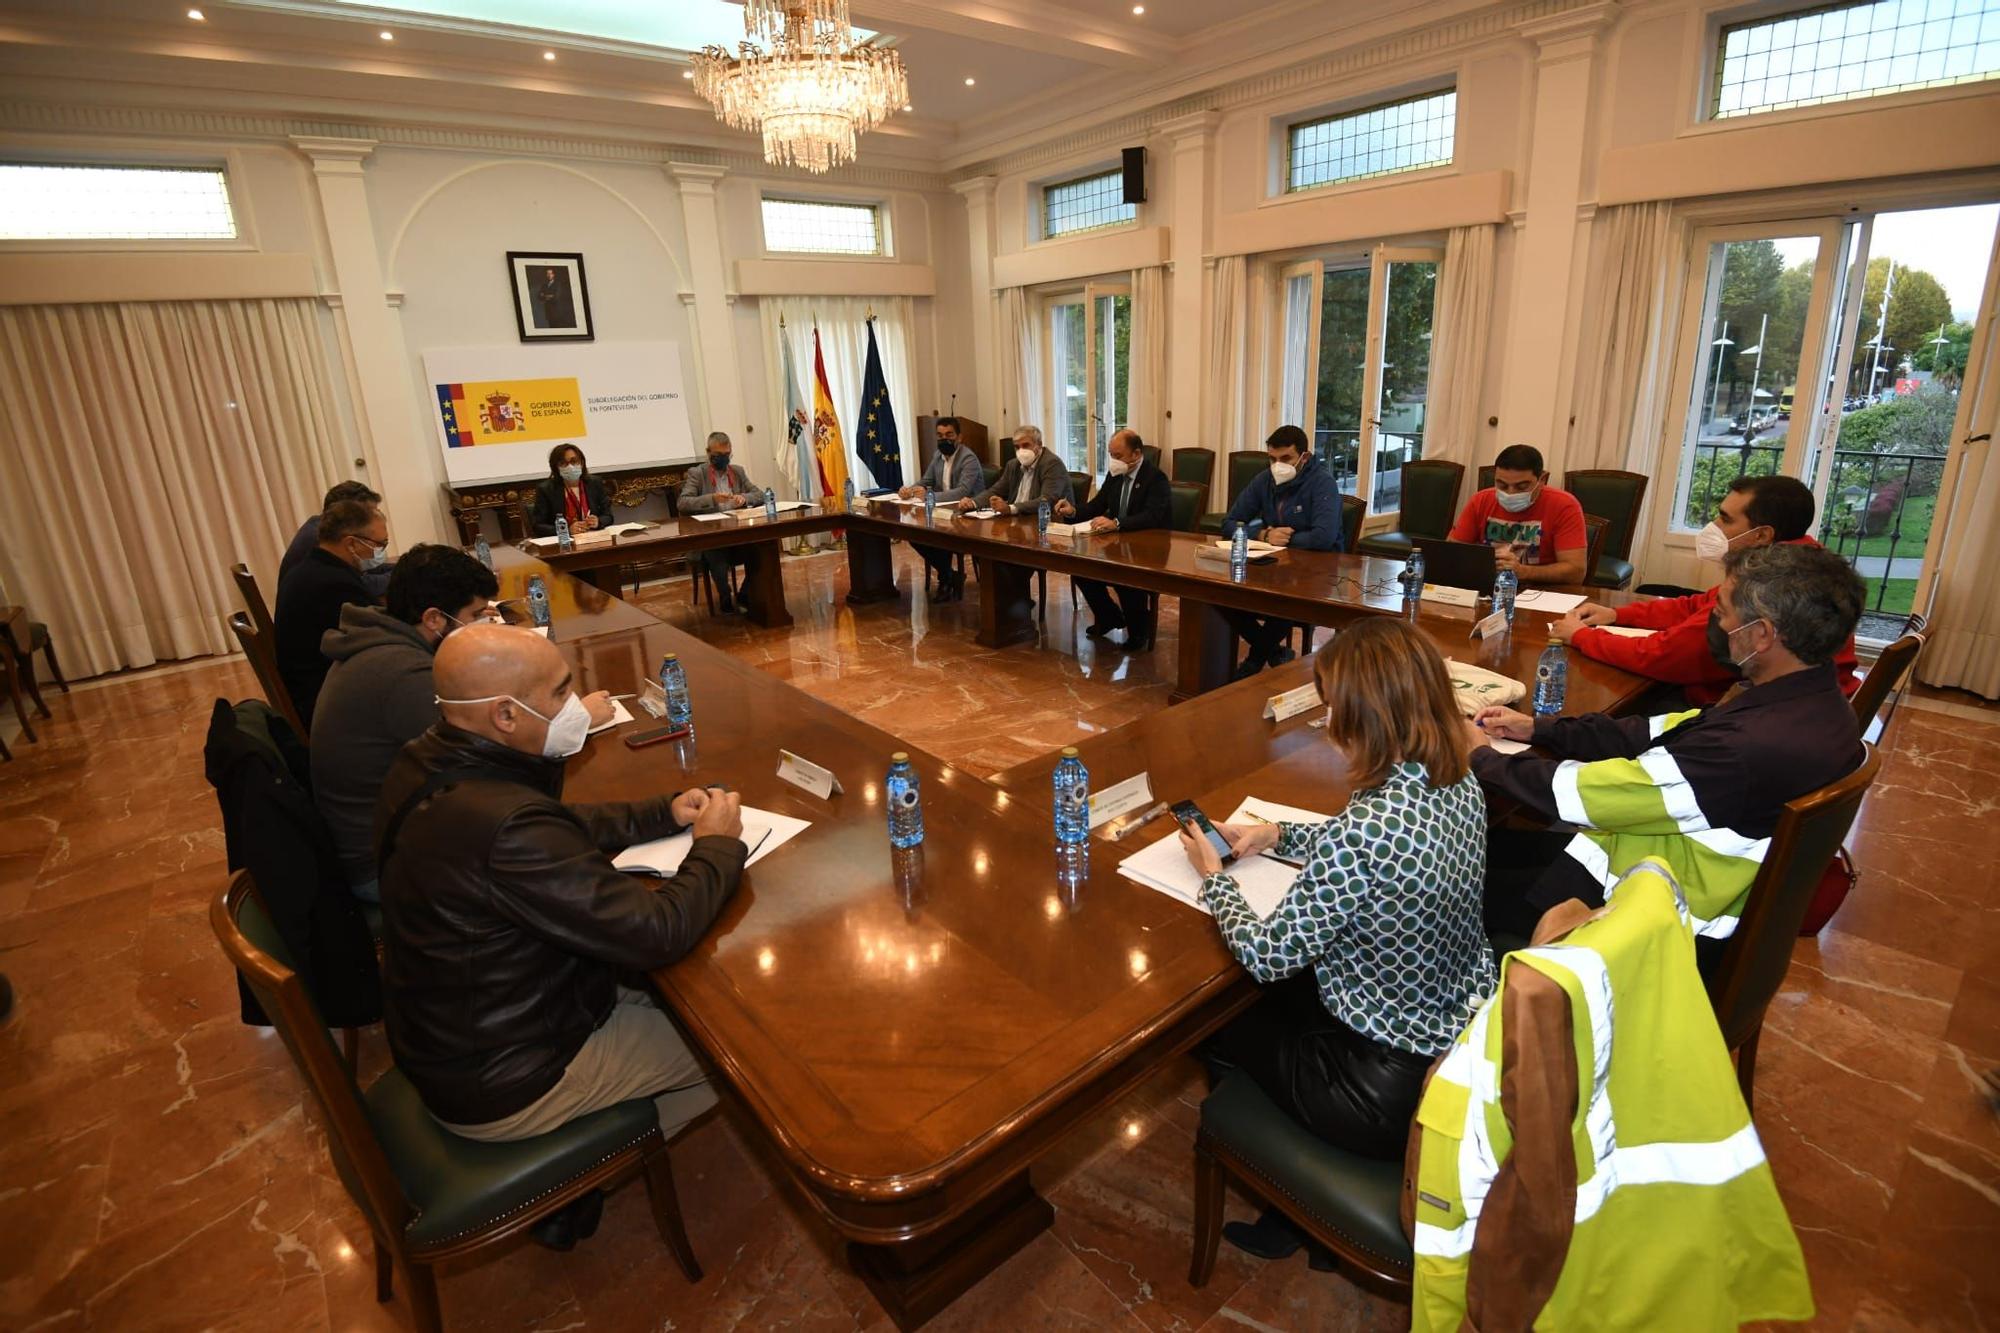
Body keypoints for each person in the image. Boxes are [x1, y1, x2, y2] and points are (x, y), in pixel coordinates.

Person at [376, 623, 746, 1249]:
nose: (578, 705)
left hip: (463, 1028)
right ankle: (576, 1170)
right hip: (509, 1077)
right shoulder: (503, 827)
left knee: (687, 998)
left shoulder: (431, 761)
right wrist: (714, 848)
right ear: (504, 715)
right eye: (560, 692)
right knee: (740, 1057)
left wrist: (661, 812)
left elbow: (552, 823)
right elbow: (656, 931)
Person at [1177, 618, 1496, 1264]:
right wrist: (1276, 836)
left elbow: (1267, 953)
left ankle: (1289, 1199)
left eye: (1337, 712)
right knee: (1276, 998)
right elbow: (1368, 847)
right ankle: (1297, 1211)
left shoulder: (1370, 824)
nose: (1329, 726)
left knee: (1215, 1022)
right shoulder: (1456, 780)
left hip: (1373, 1085)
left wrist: (1215, 880)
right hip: (1452, 1042)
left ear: (1368, 717)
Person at [1470, 542, 1867, 943]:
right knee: (1489, 850)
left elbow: (1587, 794)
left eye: (1723, 612)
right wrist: (1540, 729)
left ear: (1762, 634)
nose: (1716, 621)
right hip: (1653, 863)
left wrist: (1478, 756)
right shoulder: (1807, 701)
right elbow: (1652, 731)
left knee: (1448, 887)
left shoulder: (1747, 746)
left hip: (1646, 917)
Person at [312, 544, 601, 903]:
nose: (485, 622)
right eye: (477, 614)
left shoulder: (385, 642)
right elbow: (488, 759)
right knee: (559, 867)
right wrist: (576, 719)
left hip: (392, 833)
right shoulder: (402, 675)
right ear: (434, 618)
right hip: (382, 866)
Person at [1552, 474, 1859, 707]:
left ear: (1762, 534)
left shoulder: (1770, 583)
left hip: (1762, 709)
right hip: (1798, 699)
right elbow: (1696, 606)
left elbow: (1665, 657)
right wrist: (1617, 614)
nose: (1714, 525)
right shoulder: (1794, 558)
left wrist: (1580, 636)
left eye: (1726, 519)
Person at [1218, 425, 1344, 679]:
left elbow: (1324, 536)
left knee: (1287, 603)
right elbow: (1230, 523)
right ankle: (1275, 653)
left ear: (1304, 457)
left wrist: (1287, 539)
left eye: (1285, 458)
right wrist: (1264, 535)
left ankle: (1253, 662)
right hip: (1272, 565)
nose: (1278, 465)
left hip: (1318, 571)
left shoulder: (1322, 482)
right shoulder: (1264, 480)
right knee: (1222, 597)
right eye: (1272, 459)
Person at [274, 498, 387, 730]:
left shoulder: (314, 568)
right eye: (379, 544)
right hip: (327, 704)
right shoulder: (333, 584)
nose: (381, 552)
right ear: (352, 543)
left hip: (318, 687)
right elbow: (380, 644)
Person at [1058, 428, 1171, 650]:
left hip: (1150, 546)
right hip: (1118, 543)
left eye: (1118, 456)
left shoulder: (1155, 478)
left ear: (1136, 454)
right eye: (1111, 455)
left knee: (1125, 575)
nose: (1113, 461)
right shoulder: (1115, 474)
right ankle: (1110, 617)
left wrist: (1117, 523)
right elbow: (1097, 505)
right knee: (1081, 567)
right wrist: (1072, 511)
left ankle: (1139, 632)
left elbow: (1152, 516)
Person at [1447, 443, 1588, 585]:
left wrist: (1524, 571)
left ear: (1542, 480)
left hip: (1540, 590)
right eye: (1502, 485)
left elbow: (1575, 572)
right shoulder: (1481, 500)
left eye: (1522, 487)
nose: (1510, 493)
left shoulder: (1564, 505)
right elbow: (1451, 553)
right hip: (1488, 586)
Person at [676, 432, 770, 615]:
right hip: (710, 536)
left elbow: (760, 494)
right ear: (708, 453)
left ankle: (744, 594)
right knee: (715, 553)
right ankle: (725, 597)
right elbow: (683, 503)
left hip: (738, 532)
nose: (723, 460)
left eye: (727, 455)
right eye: (718, 456)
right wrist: (712, 499)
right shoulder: (698, 473)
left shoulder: (737, 471)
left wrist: (744, 498)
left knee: (760, 549)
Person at [903, 417, 986, 604]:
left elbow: (963, 491)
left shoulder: (968, 458)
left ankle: (946, 580)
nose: (944, 440)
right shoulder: (937, 456)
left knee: (940, 536)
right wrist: (910, 489)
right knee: (914, 534)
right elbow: (926, 482)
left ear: (959, 437)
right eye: (940, 436)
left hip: (971, 514)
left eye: (949, 435)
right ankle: (949, 575)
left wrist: (930, 497)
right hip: (945, 512)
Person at [280, 481, 390, 599]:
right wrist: (401, 576)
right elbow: (360, 584)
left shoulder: (323, 531)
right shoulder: (319, 540)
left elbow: (364, 572)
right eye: (370, 513)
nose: (377, 516)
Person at [955, 424, 1073, 518]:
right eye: (1017, 447)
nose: (1021, 451)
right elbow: (995, 491)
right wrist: (973, 502)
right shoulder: (1013, 465)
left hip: (1044, 522)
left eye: (1026, 445)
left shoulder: (1052, 464)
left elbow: (1047, 500)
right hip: (1017, 520)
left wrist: (1010, 508)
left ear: (1039, 445)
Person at [531, 444, 615, 537]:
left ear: (582, 463)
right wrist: (565, 529)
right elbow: (538, 526)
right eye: (563, 463)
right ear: (556, 467)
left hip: (592, 537)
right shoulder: (546, 489)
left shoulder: (594, 483)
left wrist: (598, 522)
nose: (570, 466)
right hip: (565, 542)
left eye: (574, 461)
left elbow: (608, 516)